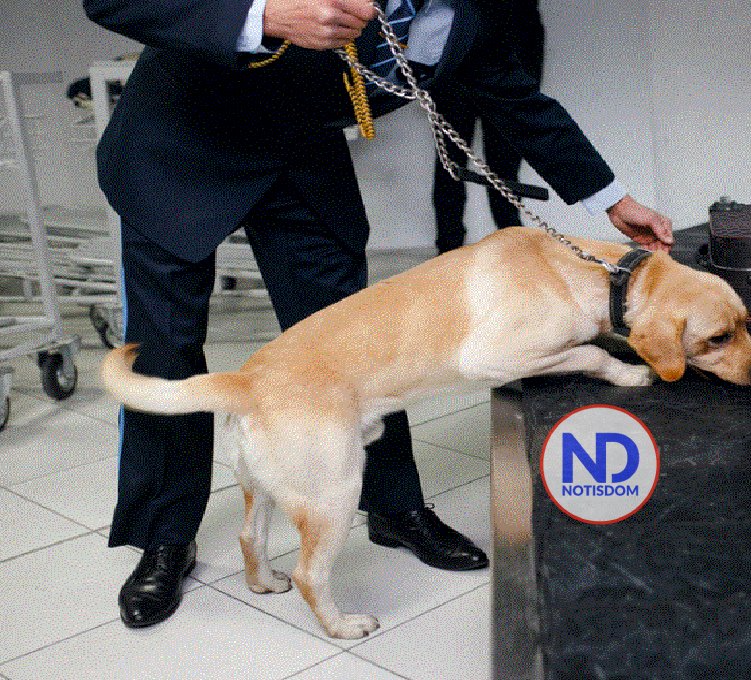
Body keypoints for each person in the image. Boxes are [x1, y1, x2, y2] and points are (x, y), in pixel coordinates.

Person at [82, 0, 674, 630]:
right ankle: (165, 536)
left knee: (368, 340)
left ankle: (393, 506)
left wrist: (611, 199)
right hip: (179, 145)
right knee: (164, 348)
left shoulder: (472, 12)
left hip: (300, 154)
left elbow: (518, 100)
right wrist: (262, 17)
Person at [431, 0, 544, 253]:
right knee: (450, 154)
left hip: (515, 33)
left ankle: (512, 239)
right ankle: (449, 247)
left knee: (505, 153)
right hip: (459, 35)